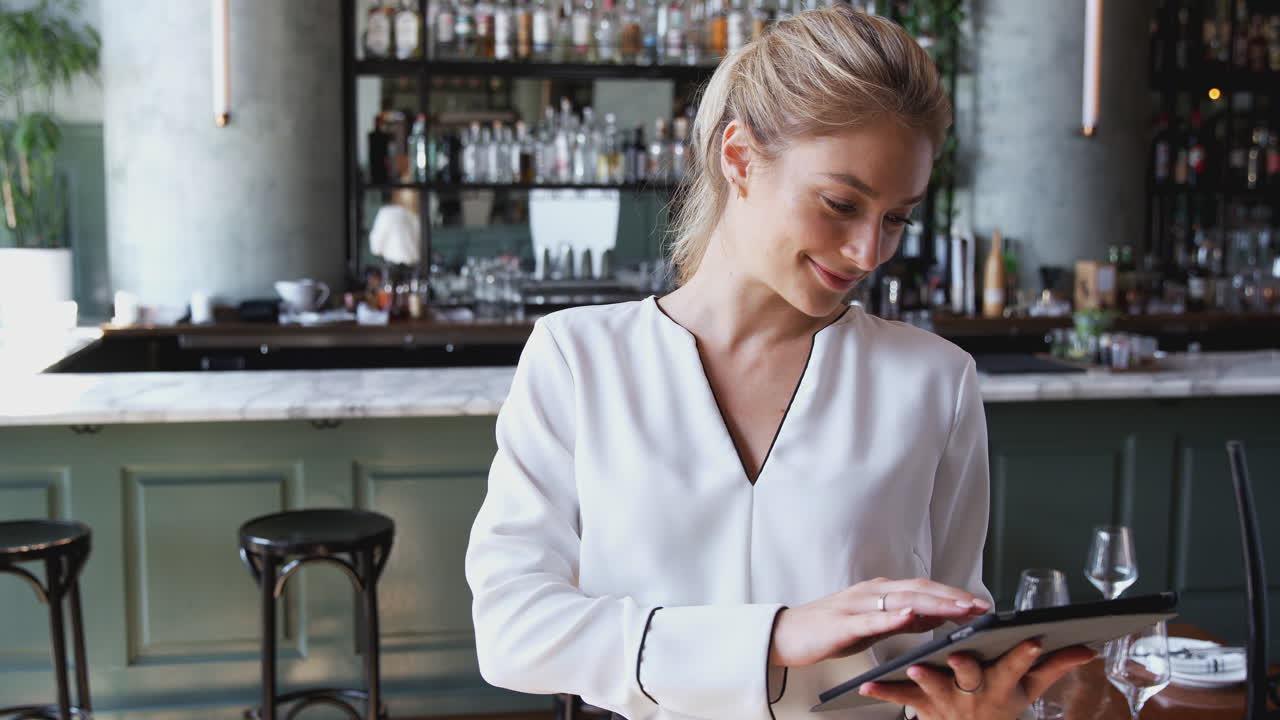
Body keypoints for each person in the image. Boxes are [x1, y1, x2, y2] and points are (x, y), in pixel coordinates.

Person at [464, 6, 1094, 719]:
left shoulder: (935, 380)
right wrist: (774, 635)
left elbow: (948, 645)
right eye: (840, 204)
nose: (868, 252)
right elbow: (512, 629)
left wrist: (980, 705)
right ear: (739, 158)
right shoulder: (579, 359)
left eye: (896, 218)